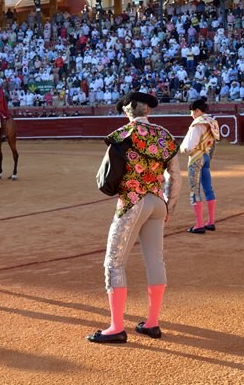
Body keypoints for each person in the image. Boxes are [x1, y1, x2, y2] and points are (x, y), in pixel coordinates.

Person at [87, 92, 181, 344]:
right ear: (147, 110)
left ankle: (116, 327)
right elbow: (176, 177)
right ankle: (152, 323)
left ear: (128, 111)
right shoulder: (165, 136)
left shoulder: (122, 136)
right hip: (157, 202)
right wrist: (169, 207)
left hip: (132, 202)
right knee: (155, 260)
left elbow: (107, 177)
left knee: (114, 262)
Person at [180, 97, 221, 234]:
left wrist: (184, 150)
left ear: (197, 111)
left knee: (195, 190)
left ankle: (199, 224)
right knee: (208, 189)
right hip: (206, 157)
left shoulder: (197, 124)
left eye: (192, 112)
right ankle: (210, 222)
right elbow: (214, 143)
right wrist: (208, 158)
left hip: (196, 157)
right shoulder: (212, 122)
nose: (191, 115)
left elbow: (190, 146)